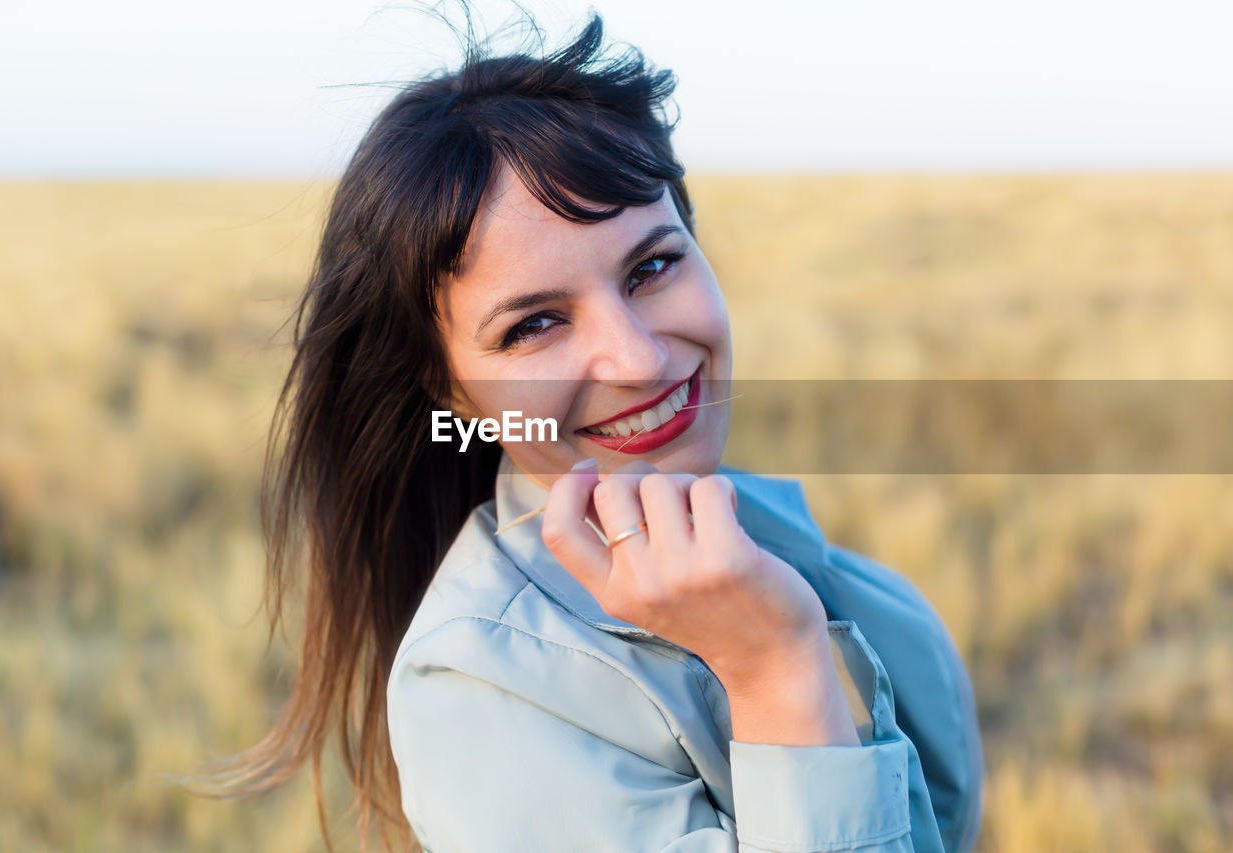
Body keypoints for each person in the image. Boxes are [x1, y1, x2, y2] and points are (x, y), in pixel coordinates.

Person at [223, 8, 984, 852]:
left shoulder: (855, 590)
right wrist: (775, 672)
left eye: (653, 266)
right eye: (535, 325)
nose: (637, 356)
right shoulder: (482, 690)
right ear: (453, 391)